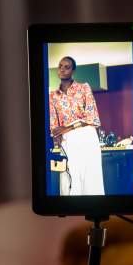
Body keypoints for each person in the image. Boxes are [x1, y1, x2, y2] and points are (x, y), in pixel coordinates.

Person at [49, 56, 105, 195]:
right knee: (69, 178)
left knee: (90, 178)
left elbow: (92, 116)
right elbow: (53, 123)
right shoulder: (52, 95)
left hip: (87, 137)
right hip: (67, 141)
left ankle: (93, 205)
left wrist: (68, 128)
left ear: (73, 71)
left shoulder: (84, 88)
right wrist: (56, 135)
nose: (62, 69)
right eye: (60, 66)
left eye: (67, 67)